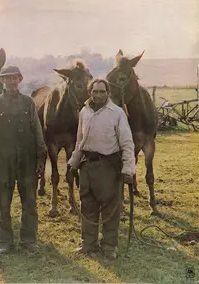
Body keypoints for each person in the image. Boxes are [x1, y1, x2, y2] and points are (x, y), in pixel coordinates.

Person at [68, 78, 136, 260]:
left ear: (108, 93)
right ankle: (88, 244)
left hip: (108, 166)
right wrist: (73, 163)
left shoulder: (117, 113)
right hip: (87, 166)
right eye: (95, 91)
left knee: (110, 209)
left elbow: (127, 143)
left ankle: (109, 246)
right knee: (87, 206)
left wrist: (128, 169)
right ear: (90, 92)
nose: (98, 95)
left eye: (102, 92)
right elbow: (79, 140)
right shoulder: (84, 112)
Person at [0, 65, 47, 254]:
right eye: (7, 78)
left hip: (27, 161)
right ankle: (5, 241)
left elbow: (37, 130)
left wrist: (40, 157)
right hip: (4, 162)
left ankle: (29, 240)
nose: (11, 81)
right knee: (3, 203)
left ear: (20, 79)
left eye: (14, 78)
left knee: (30, 202)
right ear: (2, 80)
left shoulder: (28, 103)